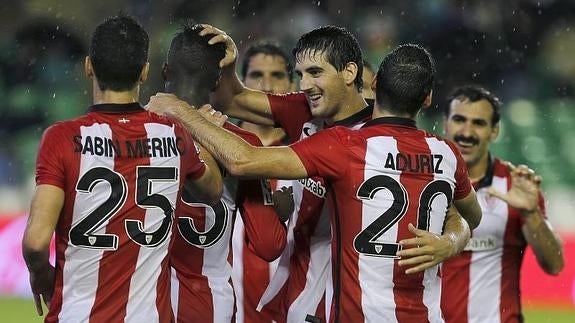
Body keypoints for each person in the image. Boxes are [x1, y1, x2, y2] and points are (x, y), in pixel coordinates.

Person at [148, 43, 482, 322]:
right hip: (420, 313)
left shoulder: (345, 145)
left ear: (372, 82)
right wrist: (453, 241)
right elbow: (467, 215)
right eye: (301, 74)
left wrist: (178, 110)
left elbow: (243, 159)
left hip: (344, 309)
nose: (305, 85)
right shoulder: (444, 152)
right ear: (428, 98)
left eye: (315, 72)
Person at [21, 15, 222, 323]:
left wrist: (40, 275)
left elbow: (36, 243)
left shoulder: (61, 138)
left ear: (89, 66)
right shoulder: (172, 134)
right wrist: (203, 131)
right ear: (144, 72)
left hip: (77, 315)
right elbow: (212, 190)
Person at [162, 23, 287, 323]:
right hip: (209, 306)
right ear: (219, 80)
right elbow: (269, 245)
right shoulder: (242, 145)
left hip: (142, 304)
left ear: (165, 71)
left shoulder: (132, 133)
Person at [440, 85, 564, 323]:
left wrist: (531, 213)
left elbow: (555, 264)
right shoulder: (426, 181)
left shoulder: (516, 186)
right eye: (459, 120)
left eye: (478, 123)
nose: (466, 132)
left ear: (494, 131)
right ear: (445, 123)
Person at [232, 40, 295, 323]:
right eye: (257, 75)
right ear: (242, 82)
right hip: (225, 308)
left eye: (277, 76)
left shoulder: (309, 152)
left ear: (292, 84)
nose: (267, 85)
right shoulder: (219, 145)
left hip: (290, 309)